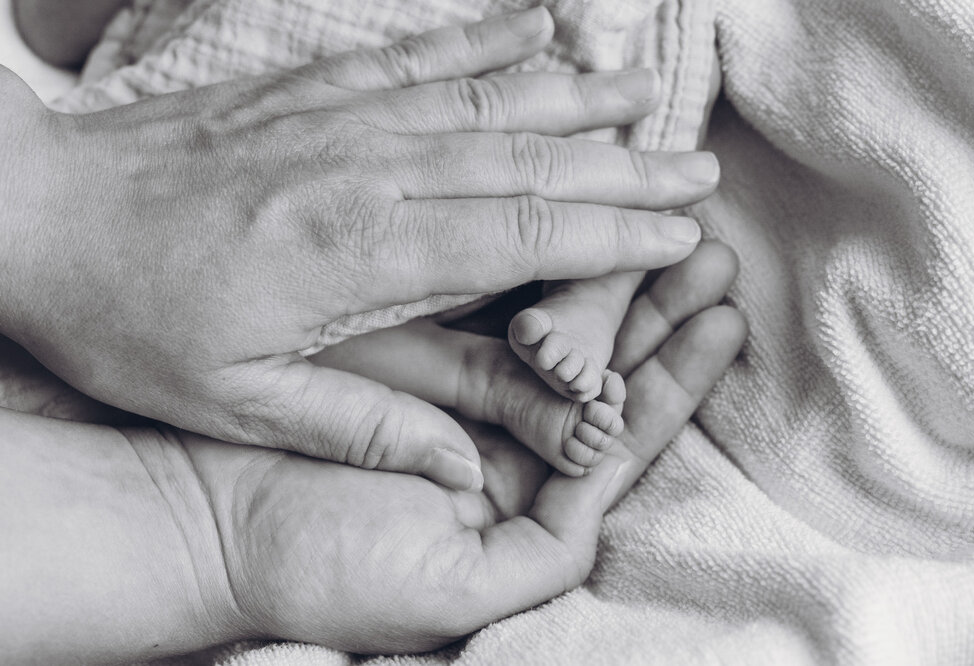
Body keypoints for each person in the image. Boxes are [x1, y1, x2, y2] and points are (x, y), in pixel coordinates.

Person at [1, 4, 747, 661]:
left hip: (262, 221)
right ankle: (532, 348)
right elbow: (50, 23)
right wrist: (53, 198)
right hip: (191, 206)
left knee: (591, 196)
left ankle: (570, 320)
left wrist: (206, 530)